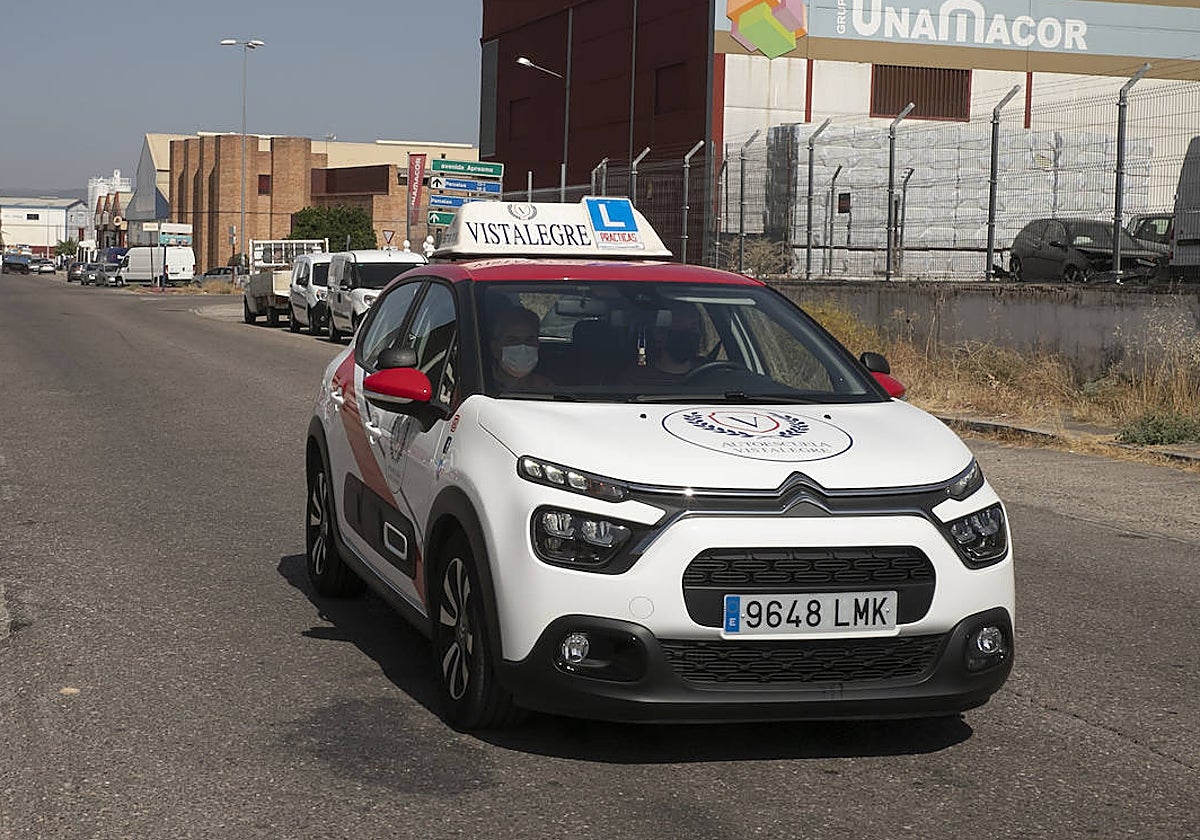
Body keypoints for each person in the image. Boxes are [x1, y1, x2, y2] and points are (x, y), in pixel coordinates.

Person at [624, 300, 706, 384]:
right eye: (678, 325)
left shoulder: (708, 373)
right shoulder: (637, 379)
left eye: (694, 327)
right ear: (659, 333)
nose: (688, 332)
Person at [489, 306, 553, 391]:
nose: (522, 347)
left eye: (529, 339)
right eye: (512, 340)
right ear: (495, 348)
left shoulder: (546, 387)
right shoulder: (480, 385)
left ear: (537, 345)